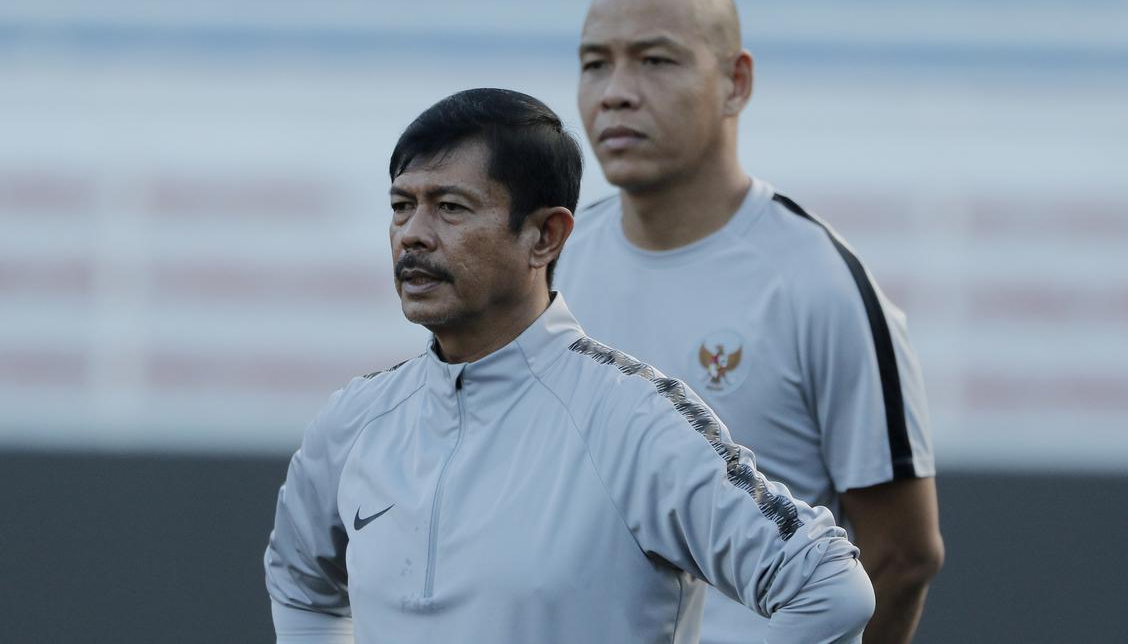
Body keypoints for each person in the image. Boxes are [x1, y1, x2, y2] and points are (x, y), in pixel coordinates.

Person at [263, 88, 874, 644]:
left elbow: (830, 589)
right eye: (402, 206)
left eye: (450, 207)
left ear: (545, 237)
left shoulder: (634, 419)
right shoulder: (354, 421)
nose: (413, 235)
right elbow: (299, 586)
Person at [557, 0, 944, 644]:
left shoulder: (818, 283)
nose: (616, 92)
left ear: (735, 82)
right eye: (595, 64)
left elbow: (902, 555)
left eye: (654, 60)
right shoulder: (550, 266)